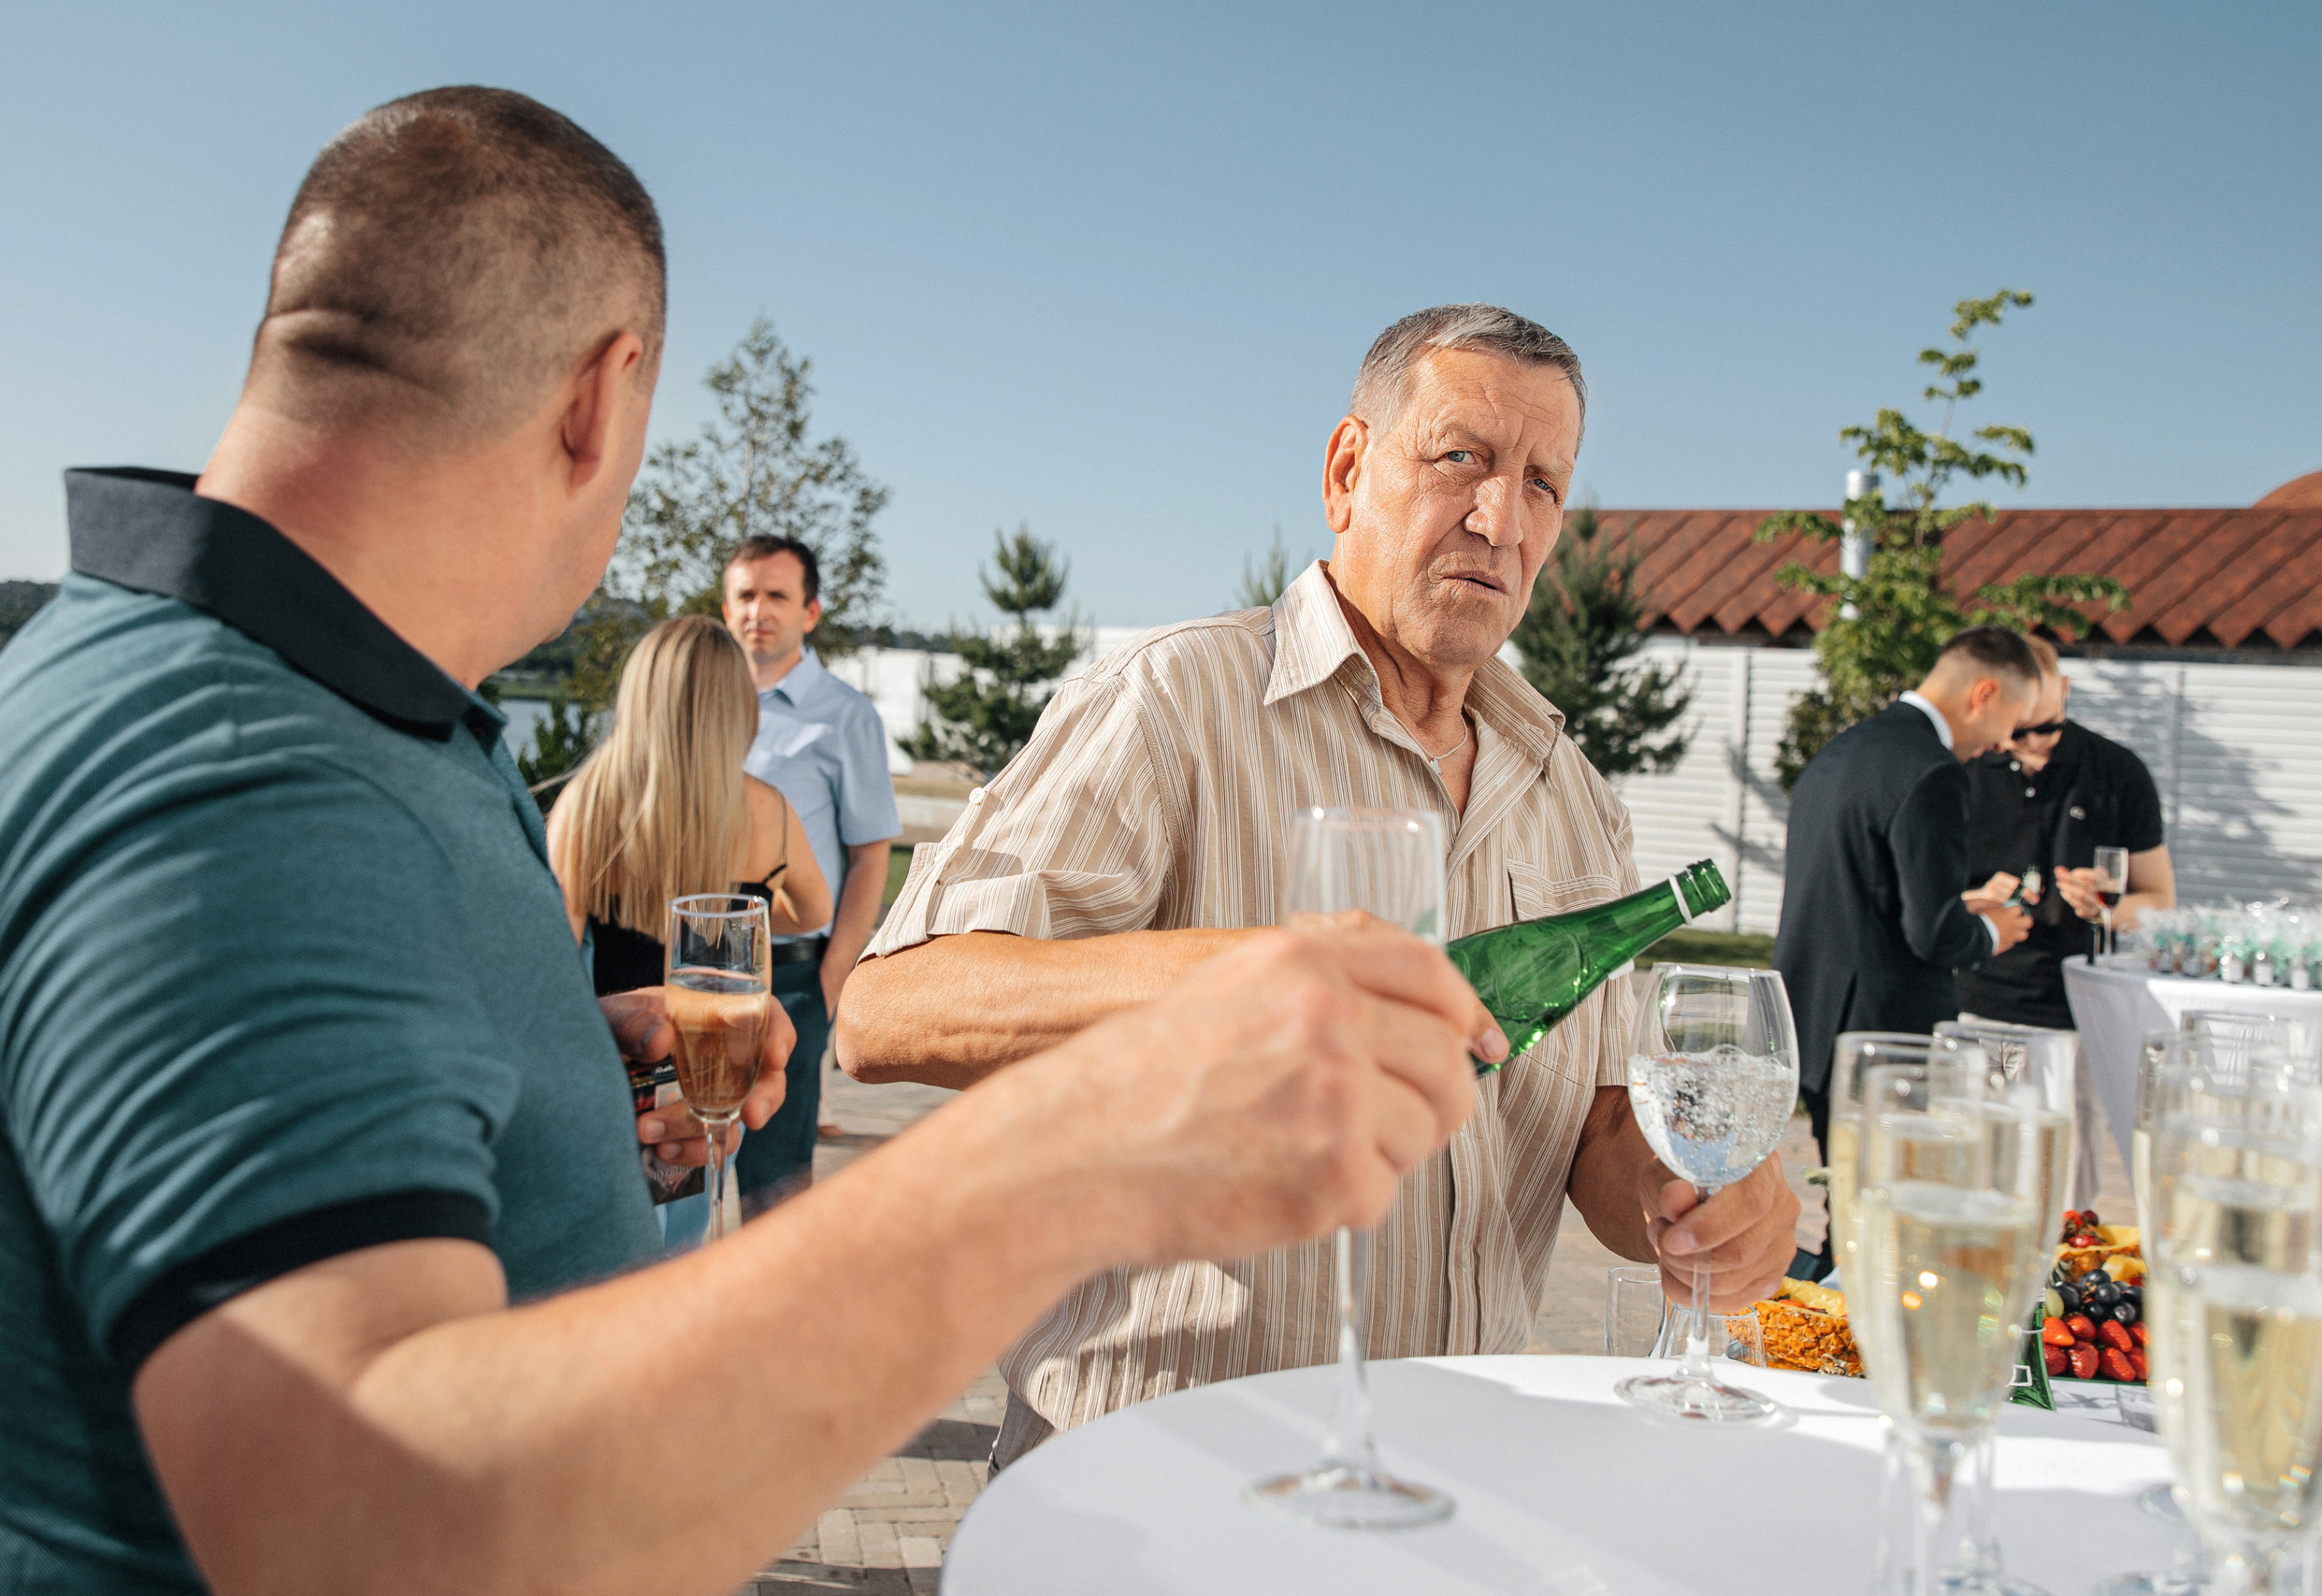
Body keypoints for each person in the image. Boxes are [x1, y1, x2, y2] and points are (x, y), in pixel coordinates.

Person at [0, 87, 1492, 1593]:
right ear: (601, 402)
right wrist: (1085, 1143)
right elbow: (368, 1528)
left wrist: (530, 1072)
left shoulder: (284, 700)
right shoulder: (234, 781)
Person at [838, 303, 1803, 1467]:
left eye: (1544, 482)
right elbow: (890, 1010)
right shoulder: (1175, 700)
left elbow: (1596, 1126)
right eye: (1462, 458)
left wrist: (1691, 1199)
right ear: (1349, 469)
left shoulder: (1572, 790)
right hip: (1161, 1473)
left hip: (1453, 1477)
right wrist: (1251, 982)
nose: (1501, 518)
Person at [1772, 625, 2040, 1268]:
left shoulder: (1846, 749)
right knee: (1884, 1214)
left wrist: (1959, 905)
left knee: (1851, 1199)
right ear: (1984, 693)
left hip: (1814, 1013)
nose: (2004, 743)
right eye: (2012, 721)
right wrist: (1992, 929)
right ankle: (1852, 1345)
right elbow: (1934, 932)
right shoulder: (1934, 772)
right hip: (1884, 1033)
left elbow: (1860, 887)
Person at [545, 614, 832, 1213]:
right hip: (710, 1060)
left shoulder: (588, 803)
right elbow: (813, 911)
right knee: (687, 1226)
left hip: (613, 1060)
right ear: (738, 709)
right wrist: (735, 925)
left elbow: (552, 956)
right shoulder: (766, 811)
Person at [719, 535, 902, 1210]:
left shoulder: (845, 716)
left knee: (775, 1191)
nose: (757, 610)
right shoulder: (700, 706)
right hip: (693, 966)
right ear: (725, 604)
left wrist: (829, 983)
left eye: (776, 595)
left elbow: (869, 857)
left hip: (792, 973)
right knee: (671, 1175)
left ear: (811, 612)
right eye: (745, 594)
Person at [1954, 632, 2175, 1029]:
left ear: (2066, 689)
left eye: (2049, 727)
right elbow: (1923, 902)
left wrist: (2105, 908)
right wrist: (1976, 899)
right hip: (1979, 999)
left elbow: (2160, 901)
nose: (2035, 742)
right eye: (2019, 732)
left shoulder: (2118, 772)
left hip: (2086, 1004)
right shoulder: (1964, 772)